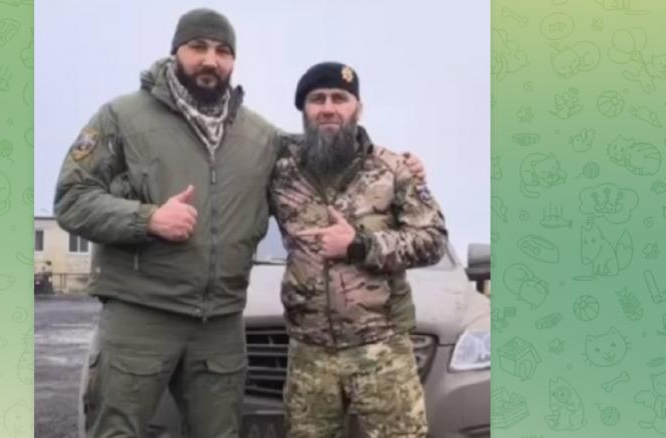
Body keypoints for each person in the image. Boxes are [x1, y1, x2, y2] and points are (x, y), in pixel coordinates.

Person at [54, 8, 428, 437]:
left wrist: (399, 164)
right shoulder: (122, 117)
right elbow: (71, 199)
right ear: (175, 52)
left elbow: (329, 145)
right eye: (197, 47)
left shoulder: (260, 136)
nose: (210, 60)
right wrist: (148, 218)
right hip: (141, 314)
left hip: (220, 322)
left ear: (233, 60)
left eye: (222, 51)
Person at [269, 62, 448, 437]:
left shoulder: (392, 169)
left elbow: (432, 240)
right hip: (309, 354)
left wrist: (359, 245)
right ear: (303, 110)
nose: (328, 108)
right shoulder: (280, 173)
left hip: (382, 350)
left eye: (339, 98)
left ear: (358, 108)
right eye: (317, 99)